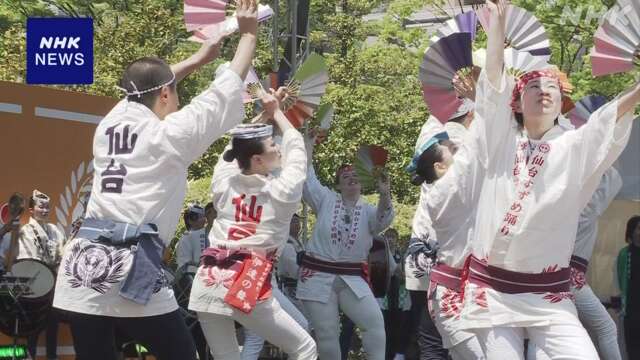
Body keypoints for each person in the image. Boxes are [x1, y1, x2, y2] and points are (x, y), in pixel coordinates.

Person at [51, 1, 259, 358]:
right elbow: (222, 91)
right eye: (174, 91)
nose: (178, 99)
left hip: (82, 265)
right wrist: (249, 34)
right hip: (129, 264)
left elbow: (139, 90)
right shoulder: (169, 136)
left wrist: (197, 59)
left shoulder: (111, 125)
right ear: (165, 94)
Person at [461, 0, 640, 358]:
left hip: (550, 296)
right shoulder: (498, 140)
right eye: (533, 87)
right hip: (493, 290)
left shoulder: (575, 146)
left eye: (552, 89)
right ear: (516, 102)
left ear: (562, 103)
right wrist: (496, 30)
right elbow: (493, 86)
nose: (543, 91)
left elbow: (607, 119)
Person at [188, 95, 316, 359]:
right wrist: (277, 112)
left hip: (209, 281)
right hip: (247, 280)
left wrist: (265, 115)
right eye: (272, 144)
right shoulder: (282, 192)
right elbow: (296, 150)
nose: (277, 147)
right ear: (257, 160)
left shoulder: (223, 184)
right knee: (305, 348)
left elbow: (231, 152)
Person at [297, 130, 394, 360]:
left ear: (363, 183)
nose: (351, 178)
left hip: (352, 277)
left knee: (374, 325)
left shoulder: (369, 210)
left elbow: (383, 221)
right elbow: (307, 179)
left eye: (355, 176)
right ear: (338, 186)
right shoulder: (326, 199)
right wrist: (308, 147)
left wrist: (385, 194)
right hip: (318, 274)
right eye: (345, 177)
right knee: (327, 334)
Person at [529, 168, 623, 360]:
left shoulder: (557, 210)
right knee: (606, 327)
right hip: (568, 277)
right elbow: (612, 181)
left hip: (547, 275)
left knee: (543, 331)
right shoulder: (585, 210)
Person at [240, 214, 310, 360]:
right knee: (302, 328)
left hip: (249, 285)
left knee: (254, 339)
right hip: (262, 285)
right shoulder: (268, 228)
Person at [17, 190, 66, 360]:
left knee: (53, 326)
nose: (45, 211)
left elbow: (63, 253)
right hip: (35, 287)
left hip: (53, 286)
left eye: (47, 207)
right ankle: (31, 356)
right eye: (41, 207)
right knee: (34, 328)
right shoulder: (25, 231)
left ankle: (52, 357)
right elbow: (27, 260)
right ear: (31, 210)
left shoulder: (53, 230)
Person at [617, 215, 640, 360]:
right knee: (632, 350)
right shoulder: (624, 254)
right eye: (639, 228)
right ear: (631, 231)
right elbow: (618, 281)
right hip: (631, 311)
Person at [176, 204, 208, 272]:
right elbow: (184, 263)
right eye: (199, 217)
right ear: (190, 220)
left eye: (203, 216)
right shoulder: (187, 237)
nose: (203, 219)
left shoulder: (207, 233)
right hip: (192, 276)